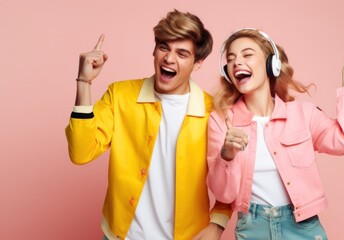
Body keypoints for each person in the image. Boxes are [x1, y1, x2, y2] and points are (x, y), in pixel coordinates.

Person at [65, 10, 231, 240]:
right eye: (164, 47)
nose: (169, 59)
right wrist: (84, 82)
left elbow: (230, 174)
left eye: (182, 53)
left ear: (198, 63)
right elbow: (81, 153)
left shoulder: (212, 111)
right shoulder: (120, 94)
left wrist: (218, 224)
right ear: (154, 50)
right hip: (120, 235)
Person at [206, 28, 344, 240]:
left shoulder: (304, 114)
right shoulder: (221, 121)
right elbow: (223, 194)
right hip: (253, 228)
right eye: (231, 59)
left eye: (247, 55)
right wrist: (226, 154)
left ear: (270, 64)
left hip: (302, 227)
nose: (237, 62)